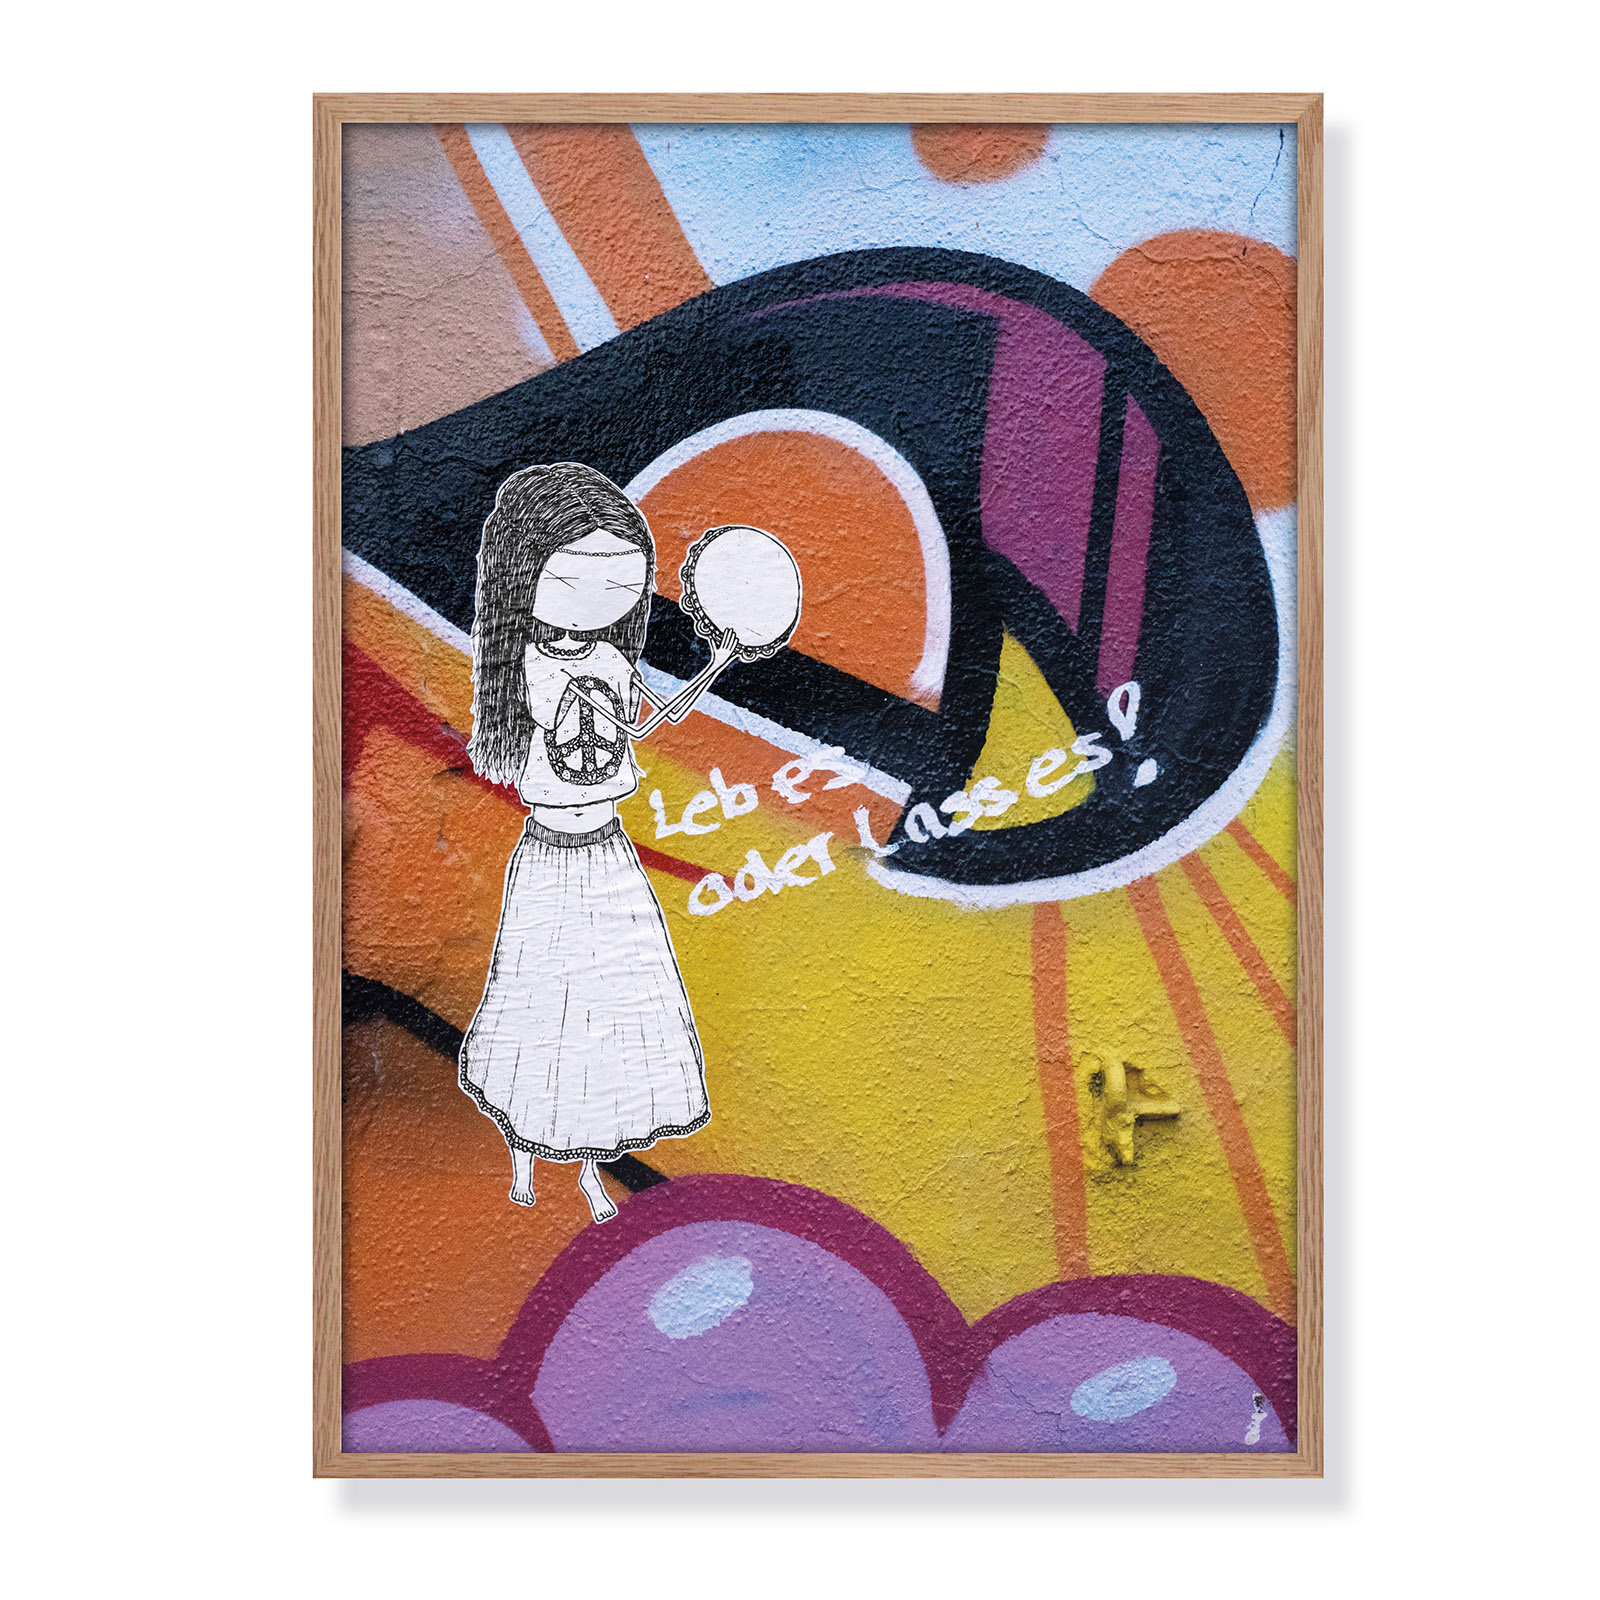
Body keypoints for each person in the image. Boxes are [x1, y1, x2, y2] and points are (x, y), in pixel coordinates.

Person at [459, 462, 715, 1223]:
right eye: (577, 580)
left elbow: (645, 721)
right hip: (551, 858)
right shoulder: (534, 667)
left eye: (620, 584)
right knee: (544, 1006)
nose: (603, 601)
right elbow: (574, 714)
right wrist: (603, 683)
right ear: (525, 576)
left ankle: (593, 1166)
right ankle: (526, 1151)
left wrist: (715, 660)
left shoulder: (608, 659)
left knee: (614, 1010)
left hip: (606, 853)